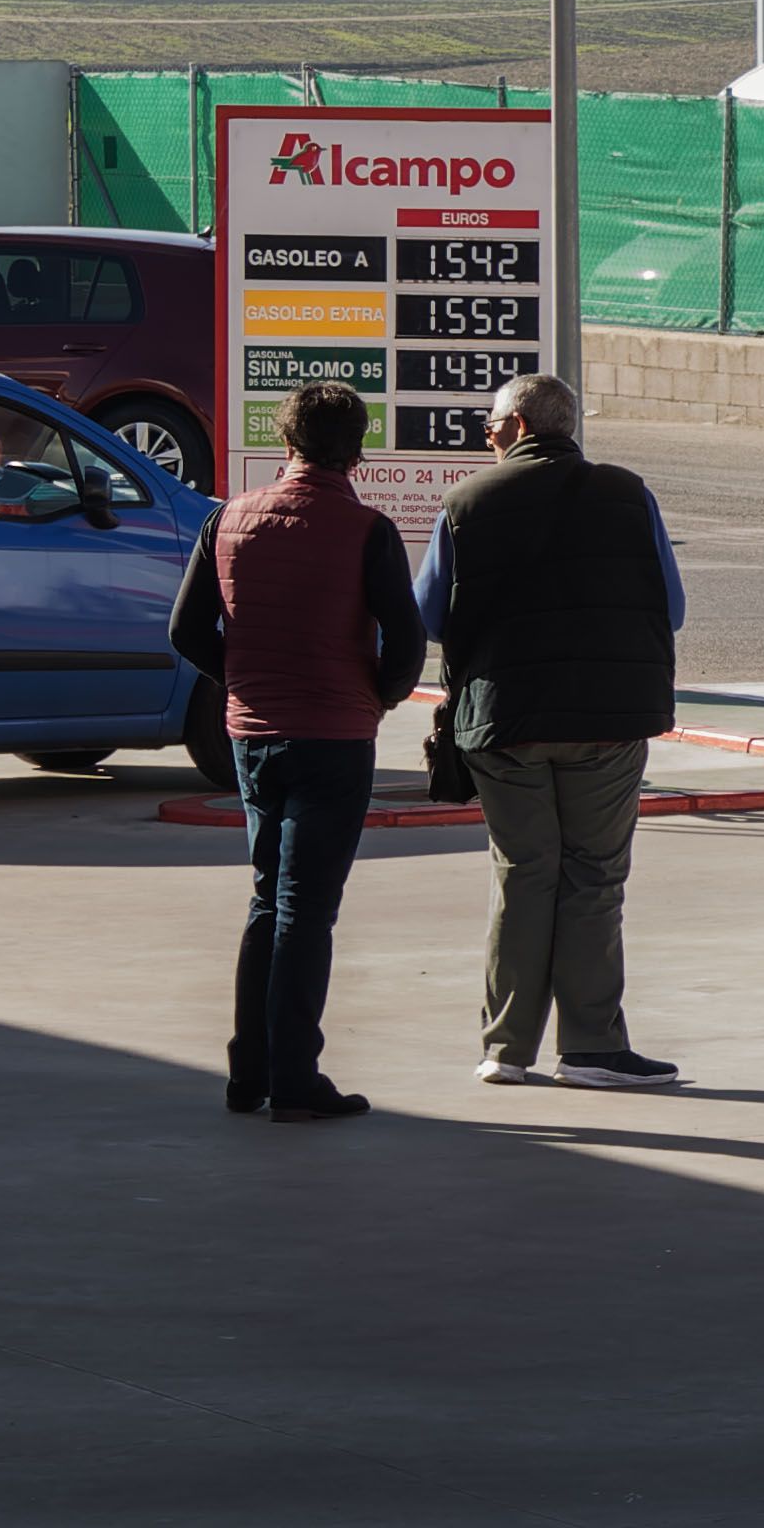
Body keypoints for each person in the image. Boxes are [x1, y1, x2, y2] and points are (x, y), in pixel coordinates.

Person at [421, 372, 687, 1091]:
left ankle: (506, 1048)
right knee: (593, 878)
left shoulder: (465, 504)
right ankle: (593, 1048)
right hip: (608, 717)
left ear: (516, 428)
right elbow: (674, 606)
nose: (485, 434)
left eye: (490, 423)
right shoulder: (629, 494)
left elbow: (431, 615)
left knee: (523, 873)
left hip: (504, 721)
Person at [165, 380, 421, 1125]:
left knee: (265, 899)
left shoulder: (229, 520)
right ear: (358, 451)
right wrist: (378, 695)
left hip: (254, 735)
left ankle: (249, 1072)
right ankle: (296, 1080)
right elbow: (406, 644)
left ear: (286, 444)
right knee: (307, 912)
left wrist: (241, 678)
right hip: (335, 738)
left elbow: (186, 631)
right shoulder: (367, 530)